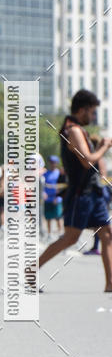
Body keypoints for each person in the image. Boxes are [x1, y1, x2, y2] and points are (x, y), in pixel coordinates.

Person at [38, 89, 112, 291]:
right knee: (71, 238)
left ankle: (110, 283)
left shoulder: (77, 129)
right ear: (82, 110)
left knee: (107, 234)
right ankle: (31, 270)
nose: (93, 116)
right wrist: (104, 146)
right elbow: (87, 161)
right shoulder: (74, 131)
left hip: (92, 192)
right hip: (81, 194)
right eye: (92, 112)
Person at [43, 155, 63, 238]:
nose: (52, 164)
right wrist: (43, 193)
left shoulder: (59, 174)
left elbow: (62, 186)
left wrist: (58, 197)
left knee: (58, 217)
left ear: (57, 163)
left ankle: (60, 233)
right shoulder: (45, 173)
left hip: (56, 198)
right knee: (48, 217)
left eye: (54, 162)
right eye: (51, 162)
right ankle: (49, 233)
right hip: (47, 199)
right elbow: (42, 185)